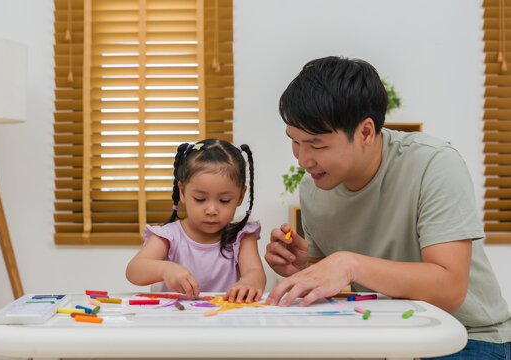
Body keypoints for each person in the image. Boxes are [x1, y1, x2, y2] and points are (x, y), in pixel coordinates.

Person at [264, 56, 511, 359]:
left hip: (466, 335)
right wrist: (304, 269)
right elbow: (339, 282)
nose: (302, 160)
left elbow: (450, 290)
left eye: (317, 145)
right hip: (378, 334)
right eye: (295, 142)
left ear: (366, 133)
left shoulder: (433, 164)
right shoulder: (313, 187)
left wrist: (349, 264)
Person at [126, 139, 266, 303]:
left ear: (241, 196)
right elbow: (133, 271)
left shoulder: (241, 236)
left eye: (224, 200)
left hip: (224, 321)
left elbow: (255, 273)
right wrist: (165, 269)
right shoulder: (169, 236)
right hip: (177, 322)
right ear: (183, 193)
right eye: (200, 199)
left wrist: (249, 282)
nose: (212, 210)